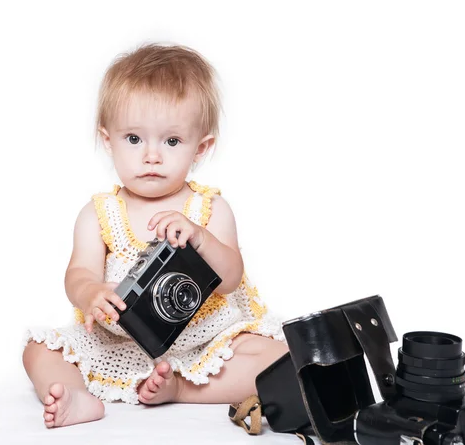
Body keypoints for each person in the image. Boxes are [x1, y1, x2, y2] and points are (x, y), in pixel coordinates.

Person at [22, 43, 287, 428]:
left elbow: (230, 279)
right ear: (108, 140)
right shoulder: (98, 214)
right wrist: (91, 293)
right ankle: (75, 396)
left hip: (203, 341)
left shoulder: (209, 209)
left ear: (202, 147)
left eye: (172, 141)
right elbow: (78, 273)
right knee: (38, 349)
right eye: (134, 139)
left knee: (282, 359)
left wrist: (199, 238)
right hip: (120, 341)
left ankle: (180, 387)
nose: (151, 156)